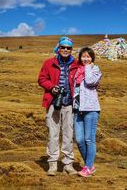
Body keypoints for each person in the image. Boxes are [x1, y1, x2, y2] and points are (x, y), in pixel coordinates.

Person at [38, 36, 78, 176]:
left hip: (69, 105)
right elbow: (42, 79)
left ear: (71, 50)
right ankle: (53, 164)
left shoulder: (76, 64)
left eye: (68, 48)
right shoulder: (49, 63)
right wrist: (51, 88)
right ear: (58, 48)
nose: (65, 50)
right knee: (53, 134)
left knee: (68, 135)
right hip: (53, 103)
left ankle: (68, 164)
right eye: (63, 47)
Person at [73, 47, 102, 177]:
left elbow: (90, 81)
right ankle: (89, 165)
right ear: (80, 57)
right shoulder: (76, 71)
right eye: (83, 56)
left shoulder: (95, 70)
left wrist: (88, 67)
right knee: (79, 140)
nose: (86, 59)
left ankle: (88, 167)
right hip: (77, 109)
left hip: (91, 109)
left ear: (92, 58)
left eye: (88, 57)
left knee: (89, 139)